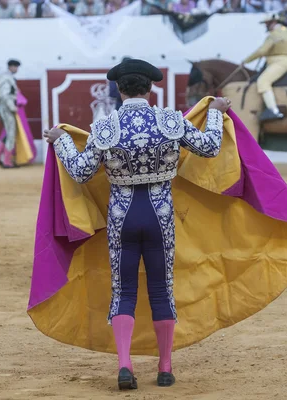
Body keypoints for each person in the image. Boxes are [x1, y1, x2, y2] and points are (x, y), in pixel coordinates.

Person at [43, 58, 231, 390]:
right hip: (160, 214)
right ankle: (165, 368)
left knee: (123, 290)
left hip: (122, 216)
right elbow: (211, 146)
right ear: (151, 88)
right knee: (162, 288)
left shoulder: (105, 126)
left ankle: (125, 365)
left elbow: (81, 171)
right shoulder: (171, 121)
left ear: (118, 88)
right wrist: (215, 111)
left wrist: (60, 140)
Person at [240, 13, 287, 122]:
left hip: (278, 62)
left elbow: (262, 51)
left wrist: (246, 61)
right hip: (285, 60)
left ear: (273, 22)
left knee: (263, 81)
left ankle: (273, 110)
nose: (266, 26)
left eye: (267, 23)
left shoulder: (274, 34)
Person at [0, 59, 21, 169]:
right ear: (11, 66)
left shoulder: (4, 76)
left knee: (9, 132)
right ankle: (7, 161)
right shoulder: (6, 77)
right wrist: (12, 107)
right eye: (16, 67)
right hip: (6, 108)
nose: (17, 69)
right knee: (11, 133)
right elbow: (5, 95)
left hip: (3, 107)